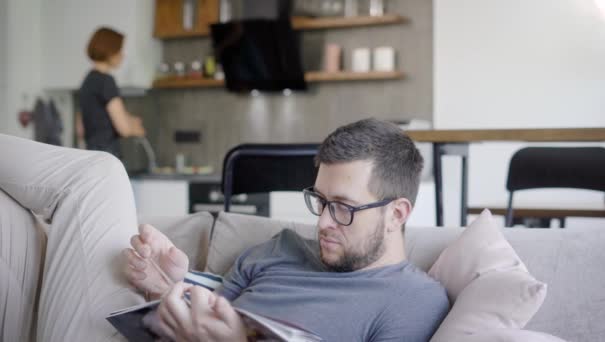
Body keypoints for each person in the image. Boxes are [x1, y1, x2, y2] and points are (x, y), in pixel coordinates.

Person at [0, 118, 448, 342]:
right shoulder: (283, 249)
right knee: (9, 219)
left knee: (98, 174)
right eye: (320, 201)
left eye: (344, 209)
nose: (323, 222)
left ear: (397, 213)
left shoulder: (412, 300)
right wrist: (170, 283)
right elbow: (214, 309)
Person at [78, 27, 145, 158]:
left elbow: (80, 128)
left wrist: (129, 120)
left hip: (91, 155)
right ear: (110, 51)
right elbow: (124, 129)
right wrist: (136, 129)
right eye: (119, 50)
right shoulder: (106, 81)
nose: (122, 55)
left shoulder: (87, 81)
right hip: (108, 156)